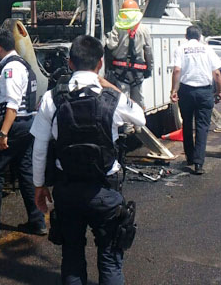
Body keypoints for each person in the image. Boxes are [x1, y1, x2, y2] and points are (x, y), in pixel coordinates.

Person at [32, 35, 146, 285]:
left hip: (67, 191)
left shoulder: (52, 98)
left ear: (70, 63)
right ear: (100, 63)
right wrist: (108, 85)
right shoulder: (112, 98)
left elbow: (39, 147)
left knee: (72, 258)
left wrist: (39, 186)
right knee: (110, 259)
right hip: (105, 191)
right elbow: (140, 117)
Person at [0, 28, 46, 239]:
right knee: (25, 173)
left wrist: (3, 134)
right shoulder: (24, 64)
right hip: (29, 124)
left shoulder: (10, 69)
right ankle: (37, 221)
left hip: (15, 125)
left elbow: (12, 106)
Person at [169, 25, 221, 175]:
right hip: (205, 91)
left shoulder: (181, 49)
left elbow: (177, 70)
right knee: (202, 127)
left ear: (186, 36)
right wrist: (219, 91)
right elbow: (217, 73)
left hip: (186, 90)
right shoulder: (207, 49)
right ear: (200, 37)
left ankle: (190, 157)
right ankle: (199, 163)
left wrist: (174, 90)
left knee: (187, 123)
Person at [105, 0, 153, 108]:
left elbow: (111, 45)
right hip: (138, 71)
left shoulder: (117, 28)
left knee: (123, 101)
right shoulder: (144, 29)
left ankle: (126, 125)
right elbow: (148, 51)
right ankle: (138, 123)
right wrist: (149, 68)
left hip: (120, 71)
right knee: (138, 101)